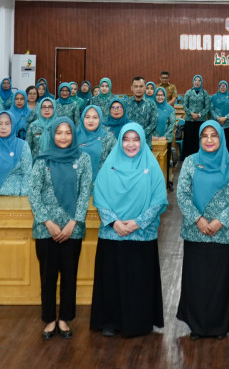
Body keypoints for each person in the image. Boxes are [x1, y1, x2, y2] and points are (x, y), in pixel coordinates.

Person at [90, 123, 168, 338]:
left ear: (142, 141)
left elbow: (159, 199)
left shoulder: (151, 165)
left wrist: (137, 223)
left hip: (141, 234)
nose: (131, 144)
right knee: (111, 279)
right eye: (126, 139)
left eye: (136, 139)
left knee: (138, 281)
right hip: (113, 233)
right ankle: (110, 322)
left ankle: (139, 322)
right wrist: (114, 222)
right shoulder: (110, 164)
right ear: (120, 141)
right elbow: (100, 196)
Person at [176, 121, 229, 339]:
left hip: (224, 234)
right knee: (197, 281)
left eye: (213, 136)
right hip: (196, 232)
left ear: (221, 138)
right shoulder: (190, 162)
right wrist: (198, 220)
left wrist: (219, 222)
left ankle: (220, 326)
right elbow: (182, 194)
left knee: (221, 282)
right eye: (204, 136)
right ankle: (197, 326)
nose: (208, 140)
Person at [28, 116, 93, 340]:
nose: (63, 137)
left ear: (73, 135)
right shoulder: (42, 160)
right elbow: (33, 193)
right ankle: (49, 319)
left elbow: (85, 193)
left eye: (67, 133)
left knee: (69, 275)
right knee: (47, 276)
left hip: (72, 228)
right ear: (52, 135)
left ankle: (64, 319)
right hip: (46, 229)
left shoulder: (83, 159)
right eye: (59, 132)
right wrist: (47, 222)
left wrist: (73, 222)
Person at [75, 104, 116, 179]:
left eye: (95, 117)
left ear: (100, 119)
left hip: (100, 183)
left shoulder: (108, 138)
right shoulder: (74, 136)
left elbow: (115, 163)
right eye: (87, 117)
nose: (91, 121)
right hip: (76, 184)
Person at [182, 74, 211, 158]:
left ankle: (200, 156)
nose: (197, 82)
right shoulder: (189, 92)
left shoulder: (204, 93)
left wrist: (199, 114)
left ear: (201, 82)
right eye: (195, 80)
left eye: (199, 81)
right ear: (193, 81)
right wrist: (191, 113)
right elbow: (184, 105)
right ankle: (189, 157)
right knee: (189, 139)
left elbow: (207, 107)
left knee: (199, 139)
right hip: (190, 119)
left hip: (200, 120)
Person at [124, 76, 158, 146]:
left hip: (146, 142)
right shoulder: (125, 103)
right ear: (131, 88)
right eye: (136, 86)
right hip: (129, 143)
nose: (138, 89)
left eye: (141, 86)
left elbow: (154, 122)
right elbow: (122, 121)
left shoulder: (151, 104)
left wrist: (141, 133)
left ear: (145, 88)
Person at [209, 80, 229, 155]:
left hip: (227, 124)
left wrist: (225, 118)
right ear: (219, 87)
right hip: (216, 124)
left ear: (227, 87)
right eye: (221, 86)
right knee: (216, 142)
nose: (223, 87)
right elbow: (211, 109)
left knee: (227, 143)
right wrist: (218, 118)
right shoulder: (214, 97)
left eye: (224, 86)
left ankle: (227, 159)